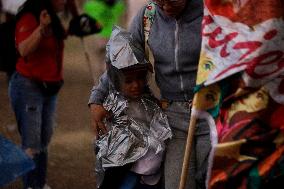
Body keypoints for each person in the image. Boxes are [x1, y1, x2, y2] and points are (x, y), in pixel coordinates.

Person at [89, 0, 210, 189]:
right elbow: (121, 61)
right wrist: (96, 98)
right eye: (160, 1)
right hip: (173, 118)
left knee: (212, 180)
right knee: (176, 184)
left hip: (211, 113)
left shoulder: (212, 12)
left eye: (173, 1)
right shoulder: (149, 15)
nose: (166, 7)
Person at [95, 26, 172, 189]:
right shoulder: (112, 105)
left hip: (150, 167)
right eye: (128, 81)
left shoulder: (147, 100)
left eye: (140, 79)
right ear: (116, 80)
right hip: (125, 167)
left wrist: (160, 106)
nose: (136, 85)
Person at [8, 0, 67, 188]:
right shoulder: (29, 17)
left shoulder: (52, 19)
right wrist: (41, 28)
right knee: (32, 141)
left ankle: (39, 183)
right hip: (28, 87)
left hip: (49, 87)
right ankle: (31, 184)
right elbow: (23, 49)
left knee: (43, 139)